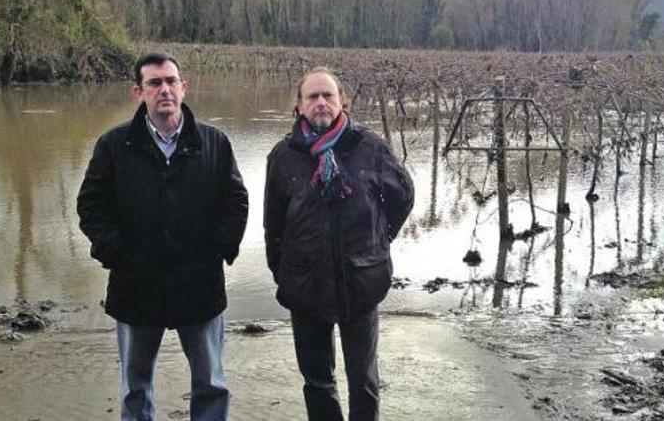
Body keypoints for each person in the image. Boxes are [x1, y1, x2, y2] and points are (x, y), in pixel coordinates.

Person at [77, 52, 249, 421]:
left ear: (184, 88)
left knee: (211, 383)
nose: (165, 90)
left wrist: (218, 250)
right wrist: (116, 253)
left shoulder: (214, 143)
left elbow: (235, 201)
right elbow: (91, 206)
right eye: (155, 83)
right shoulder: (114, 145)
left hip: (199, 283)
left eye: (171, 81)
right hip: (136, 284)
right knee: (135, 389)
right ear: (138, 92)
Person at [264, 67, 414, 420]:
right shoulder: (283, 157)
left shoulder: (370, 148)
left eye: (327, 95)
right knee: (317, 382)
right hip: (305, 286)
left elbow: (403, 198)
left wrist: (380, 242)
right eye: (312, 97)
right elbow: (273, 225)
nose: (321, 103)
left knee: (363, 380)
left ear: (341, 101)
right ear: (298, 106)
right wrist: (285, 273)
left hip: (361, 282)